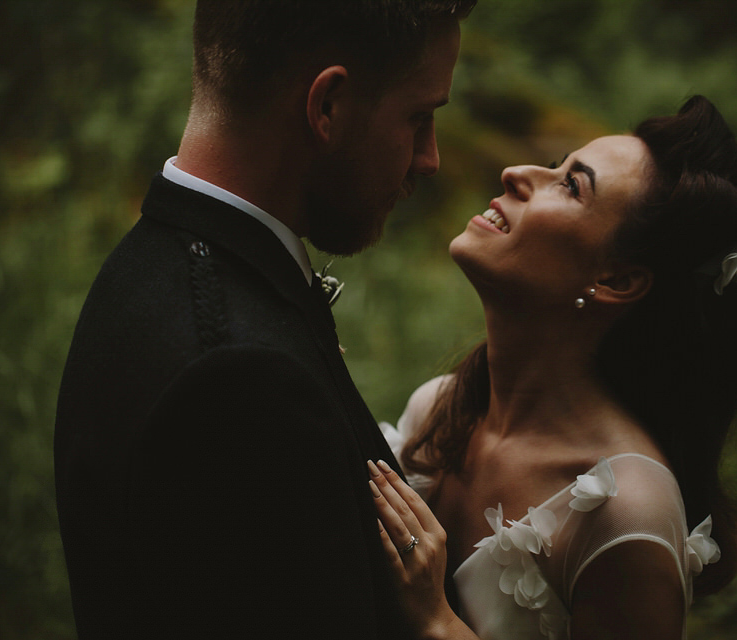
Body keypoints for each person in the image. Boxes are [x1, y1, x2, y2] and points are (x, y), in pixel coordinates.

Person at [53, 1, 475, 638]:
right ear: (326, 106)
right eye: (419, 118)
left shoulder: (150, 261)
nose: (429, 158)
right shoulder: (238, 380)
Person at [370, 96, 737, 639]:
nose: (516, 172)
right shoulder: (439, 409)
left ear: (617, 280)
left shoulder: (622, 515)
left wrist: (437, 622)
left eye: (571, 184)